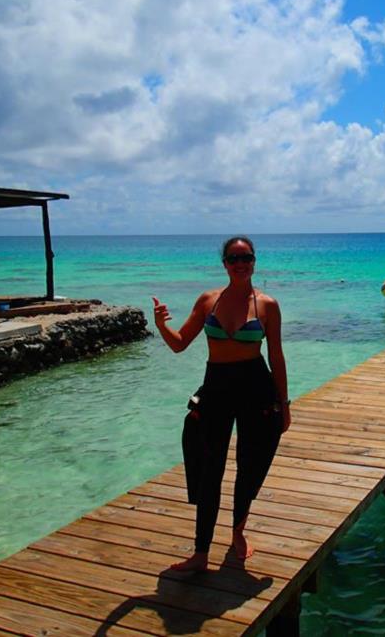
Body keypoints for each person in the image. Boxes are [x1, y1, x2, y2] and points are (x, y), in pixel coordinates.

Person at [152, 236, 290, 571]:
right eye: (234, 258)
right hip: (216, 386)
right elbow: (180, 344)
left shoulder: (268, 305)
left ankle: (238, 532)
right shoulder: (208, 300)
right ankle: (200, 553)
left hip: (256, 386)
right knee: (209, 466)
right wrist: (161, 325)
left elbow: (276, 357)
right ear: (224, 263)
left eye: (247, 258)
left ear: (254, 261)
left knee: (249, 463)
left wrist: (284, 404)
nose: (241, 264)